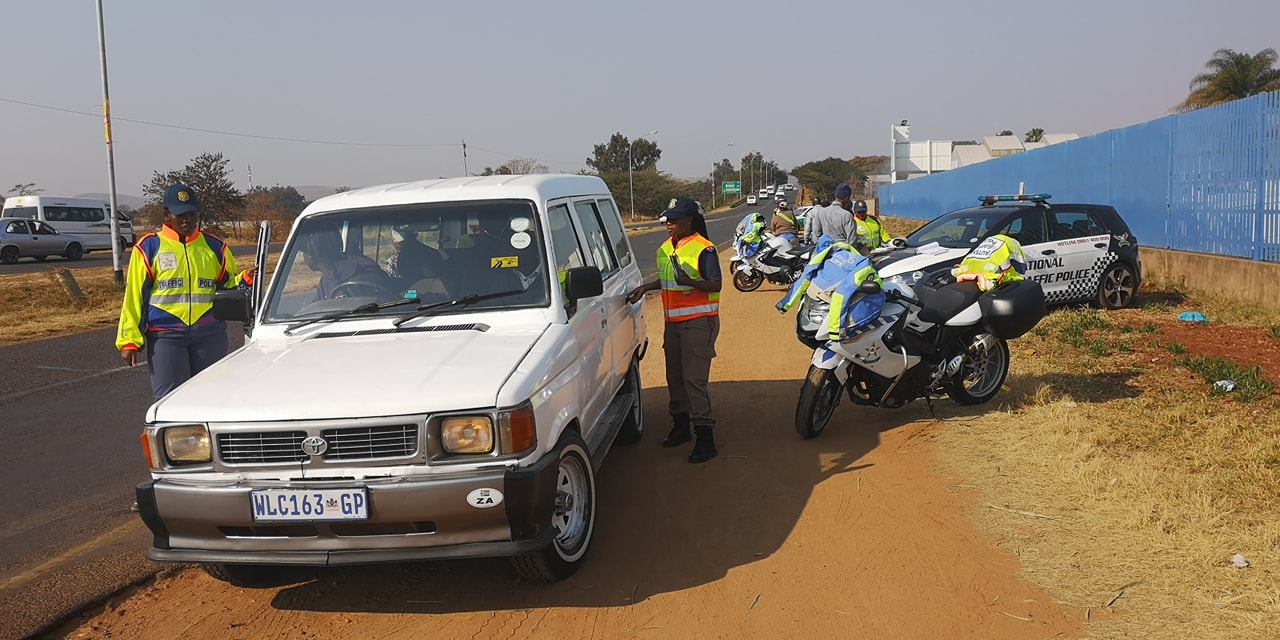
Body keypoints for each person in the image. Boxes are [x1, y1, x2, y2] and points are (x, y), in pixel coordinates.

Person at [116, 183, 257, 401]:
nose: (187, 220)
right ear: (166, 215)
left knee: (214, 398)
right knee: (170, 401)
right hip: (166, 336)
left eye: (192, 214)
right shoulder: (148, 248)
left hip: (209, 334)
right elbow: (134, 297)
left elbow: (227, 286)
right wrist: (129, 340)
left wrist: (245, 279)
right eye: (180, 214)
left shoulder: (216, 247)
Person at [626, 197, 722, 463]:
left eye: (675, 219)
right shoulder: (665, 248)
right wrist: (646, 287)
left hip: (699, 322)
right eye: (667, 219)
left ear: (689, 220)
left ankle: (705, 437)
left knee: (694, 380)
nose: (669, 224)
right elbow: (668, 279)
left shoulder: (705, 249)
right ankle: (681, 427)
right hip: (673, 323)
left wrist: (690, 281)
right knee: (675, 377)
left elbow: (716, 284)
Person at [299, 227, 395, 300]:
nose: (304, 257)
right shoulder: (326, 279)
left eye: (304, 251)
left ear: (311, 254)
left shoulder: (361, 272)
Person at [951, 234, 1027, 291]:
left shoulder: (989, 241)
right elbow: (1021, 266)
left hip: (967, 272)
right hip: (987, 277)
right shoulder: (1012, 244)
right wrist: (1020, 278)